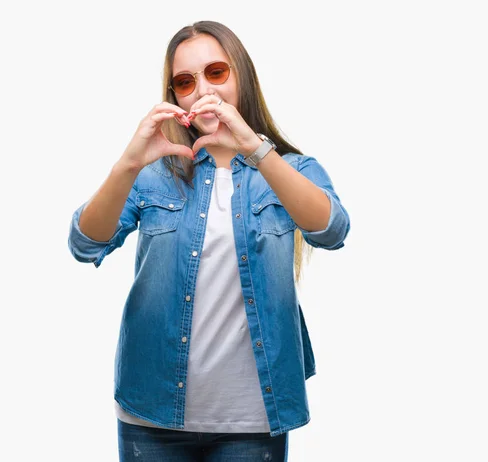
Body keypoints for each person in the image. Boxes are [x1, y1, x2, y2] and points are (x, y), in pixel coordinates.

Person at [68, 20, 350, 462]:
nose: (202, 89)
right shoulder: (152, 176)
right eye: (185, 81)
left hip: (252, 422)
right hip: (152, 414)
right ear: (174, 95)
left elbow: (332, 231)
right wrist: (127, 164)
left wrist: (256, 151)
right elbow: (84, 244)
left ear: (241, 75)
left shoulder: (292, 168)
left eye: (216, 72)